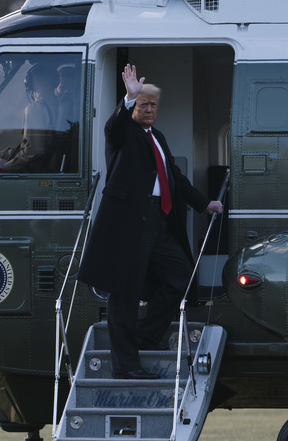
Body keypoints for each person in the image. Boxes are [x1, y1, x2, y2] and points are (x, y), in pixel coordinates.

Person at [78, 64, 223, 379]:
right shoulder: (123, 133)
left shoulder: (157, 136)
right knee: (125, 293)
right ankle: (126, 365)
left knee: (182, 277)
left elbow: (175, 178)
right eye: (142, 104)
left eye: (152, 105)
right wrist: (127, 99)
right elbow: (113, 128)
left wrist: (205, 204)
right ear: (133, 107)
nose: (148, 109)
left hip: (159, 220)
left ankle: (144, 334)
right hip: (130, 224)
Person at [0, 63, 60, 173]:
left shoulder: (35, 109)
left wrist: (5, 167)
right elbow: (24, 148)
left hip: (34, 173)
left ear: (30, 84)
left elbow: (33, 151)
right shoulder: (60, 105)